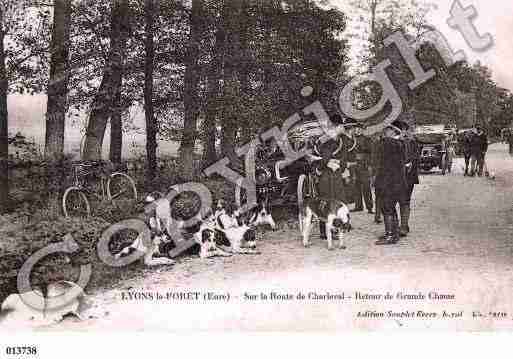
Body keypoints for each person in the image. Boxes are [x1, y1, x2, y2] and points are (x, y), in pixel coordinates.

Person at [314, 116, 356, 240]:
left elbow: (344, 158)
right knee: (327, 201)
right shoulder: (327, 139)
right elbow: (325, 158)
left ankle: (331, 230)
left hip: (335, 174)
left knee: (334, 201)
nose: (343, 128)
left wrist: (341, 167)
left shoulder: (341, 140)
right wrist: (320, 169)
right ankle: (326, 231)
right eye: (340, 126)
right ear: (335, 126)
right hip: (328, 175)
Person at [374, 120, 408, 245]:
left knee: (387, 207)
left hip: (388, 182)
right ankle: (394, 233)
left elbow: (382, 164)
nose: (385, 131)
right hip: (398, 181)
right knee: (391, 207)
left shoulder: (388, 143)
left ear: (394, 131)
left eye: (388, 129)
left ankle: (390, 235)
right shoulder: (401, 143)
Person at [399, 122, 420, 237]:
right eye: (400, 130)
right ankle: (397, 225)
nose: (402, 132)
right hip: (396, 177)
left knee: (405, 200)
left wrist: (410, 164)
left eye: (403, 130)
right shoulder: (393, 142)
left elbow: (416, 158)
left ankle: (403, 226)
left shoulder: (412, 143)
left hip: (408, 177)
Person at [349, 123, 373, 214]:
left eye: (359, 129)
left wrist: (369, 165)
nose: (357, 130)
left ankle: (370, 207)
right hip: (353, 165)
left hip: (364, 165)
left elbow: (371, 153)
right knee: (355, 187)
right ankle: (358, 206)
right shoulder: (350, 139)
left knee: (366, 187)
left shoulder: (367, 139)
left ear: (363, 130)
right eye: (356, 129)